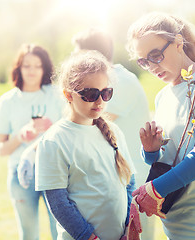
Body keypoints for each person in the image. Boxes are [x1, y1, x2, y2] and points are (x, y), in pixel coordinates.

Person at [126, 12, 195, 240]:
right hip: (177, 223)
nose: (151, 66)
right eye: (143, 61)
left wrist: (156, 190)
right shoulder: (162, 96)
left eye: (155, 55)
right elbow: (163, 158)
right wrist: (151, 151)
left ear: (179, 43)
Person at [35, 50, 137, 240]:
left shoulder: (114, 131)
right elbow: (58, 202)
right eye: (90, 94)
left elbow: (129, 184)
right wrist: (88, 236)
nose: (99, 101)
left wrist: (128, 228)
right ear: (68, 95)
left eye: (106, 92)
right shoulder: (54, 141)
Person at [71, 28, 155, 239]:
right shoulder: (104, 81)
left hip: (134, 183)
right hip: (115, 180)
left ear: (91, 55)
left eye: (77, 52)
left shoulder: (120, 81)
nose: (73, 57)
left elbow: (92, 127)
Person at [0, 44, 63, 240]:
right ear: (18, 68)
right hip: (20, 175)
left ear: (45, 68)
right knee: (28, 234)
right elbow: (1, 149)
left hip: (54, 172)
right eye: (27, 65)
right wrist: (21, 136)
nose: (32, 71)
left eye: (37, 66)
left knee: (61, 231)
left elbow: (68, 132)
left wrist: (51, 128)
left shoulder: (56, 95)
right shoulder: (7, 101)